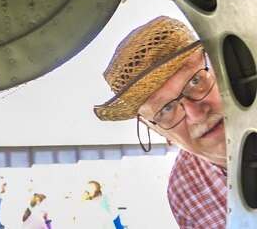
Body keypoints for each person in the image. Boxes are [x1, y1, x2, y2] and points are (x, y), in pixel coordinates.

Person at [93, 16, 227, 228]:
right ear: (155, 129)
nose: (196, 114)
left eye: (195, 81)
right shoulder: (186, 191)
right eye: (166, 109)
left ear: (222, 69)